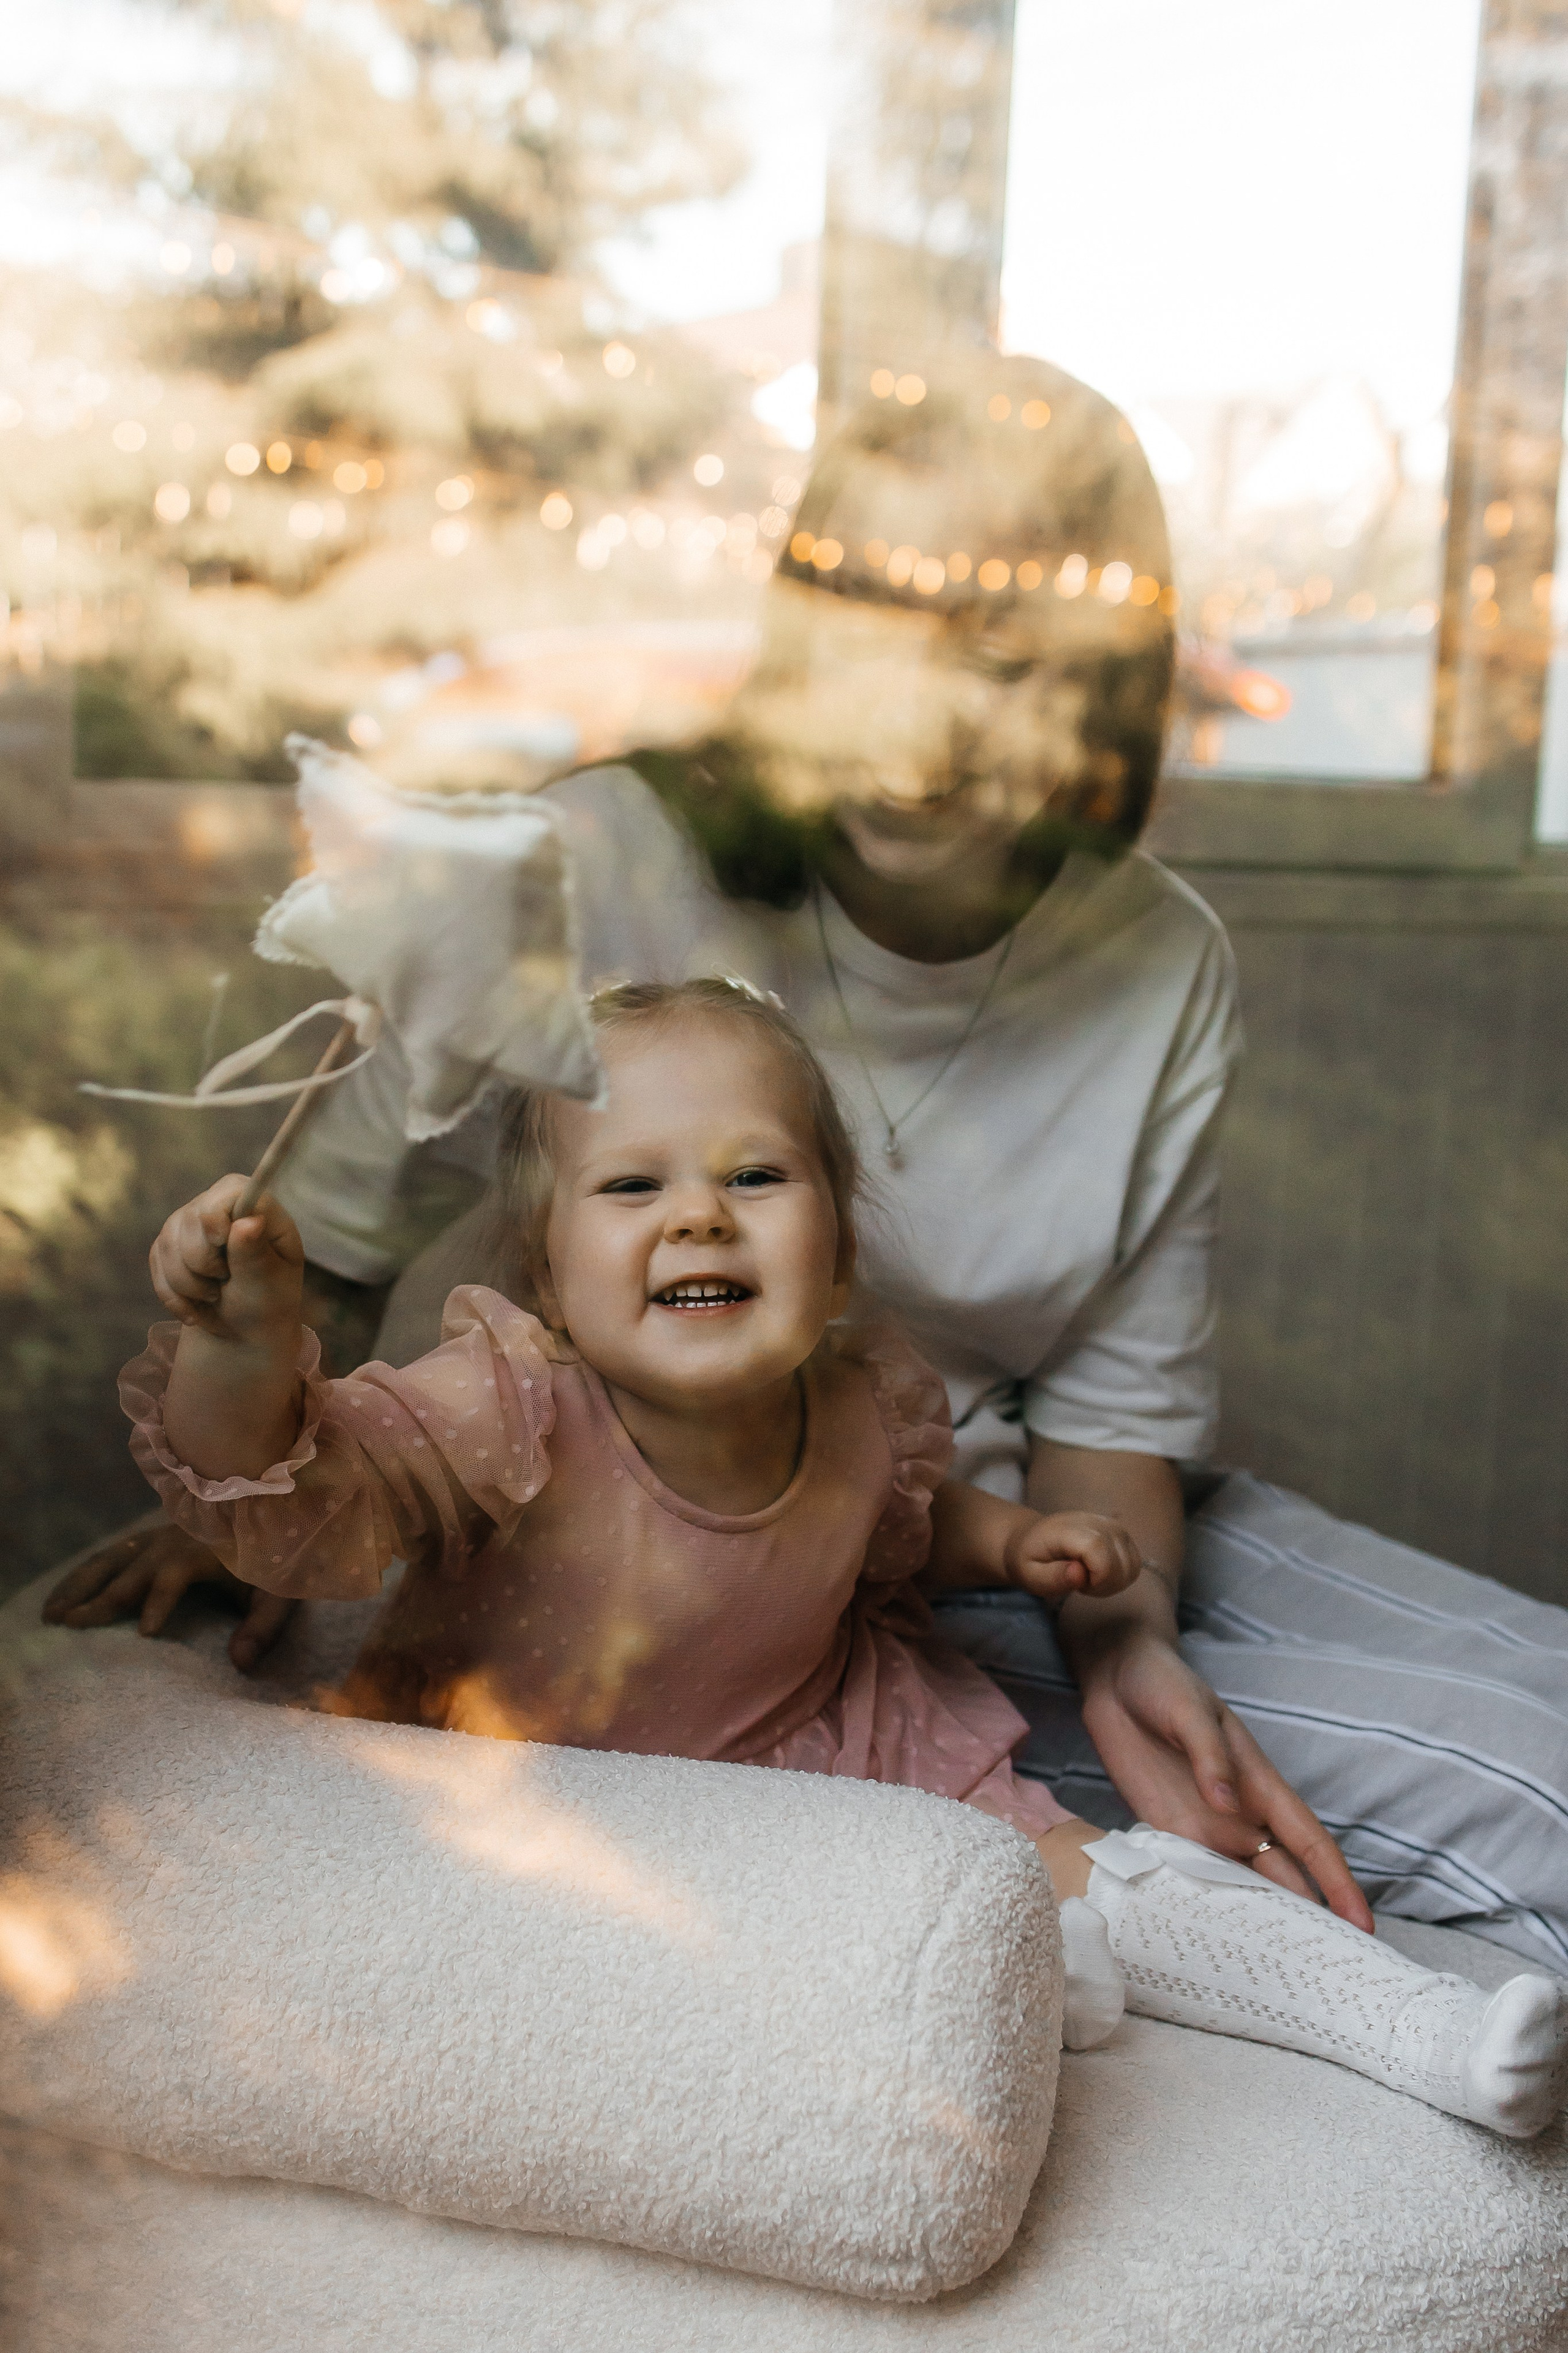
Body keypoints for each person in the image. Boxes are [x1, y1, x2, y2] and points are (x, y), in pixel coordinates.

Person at [48, 348, 1568, 1974]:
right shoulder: (595, 858)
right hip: (700, 1554)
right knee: (1536, 1814)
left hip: (1018, 1523)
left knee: (1545, 1710)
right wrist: (251, 1487)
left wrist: (1126, 1643)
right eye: (872, 647)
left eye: (998, 658)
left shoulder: (1164, 959)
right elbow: (328, 1241)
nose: (918, 727)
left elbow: (1117, 1425)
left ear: (1101, 681)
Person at [121, 978, 1566, 2136]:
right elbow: (298, 1490)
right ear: (547, 1272)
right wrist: (242, 1342)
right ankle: (978, 1998)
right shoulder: (506, 1405)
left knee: (1108, 1873)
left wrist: (1015, 1541)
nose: (698, 1212)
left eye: (755, 1174)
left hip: (823, 1745)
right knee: (806, 1977)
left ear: (839, 1252)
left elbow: (900, 1526)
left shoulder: (861, 1400)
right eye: (632, 1188)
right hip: (553, 1794)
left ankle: (1415, 2029)